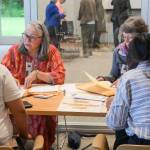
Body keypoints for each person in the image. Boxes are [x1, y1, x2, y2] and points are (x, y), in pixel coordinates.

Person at [1, 21, 65, 149]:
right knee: (18, 112)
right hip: (18, 99)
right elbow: (3, 70)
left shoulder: (51, 52)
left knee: (41, 116)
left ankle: (41, 144)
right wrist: (11, 79)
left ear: (42, 40)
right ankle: (22, 140)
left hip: (43, 101)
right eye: (25, 35)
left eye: (31, 38)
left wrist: (38, 74)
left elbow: (60, 76)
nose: (26, 40)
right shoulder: (14, 51)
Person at [106, 33, 150, 149]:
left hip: (139, 144)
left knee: (121, 130)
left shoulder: (129, 78)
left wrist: (114, 105)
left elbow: (116, 123)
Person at [0, 64, 28, 146]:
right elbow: (20, 111)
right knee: (30, 142)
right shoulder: (2, 70)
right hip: (2, 143)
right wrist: (24, 135)